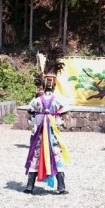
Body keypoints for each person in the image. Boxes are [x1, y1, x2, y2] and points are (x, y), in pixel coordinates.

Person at [24, 47, 70, 194]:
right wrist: (60, 123)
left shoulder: (36, 100)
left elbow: (28, 114)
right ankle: (61, 186)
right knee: (56, 156)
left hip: (38, 134)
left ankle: (30, 186)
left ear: (43, 85)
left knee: (36, 156)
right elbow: (65, 115)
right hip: (52, 134)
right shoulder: (59, 100)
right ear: (54, 85)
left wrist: (33, 122)